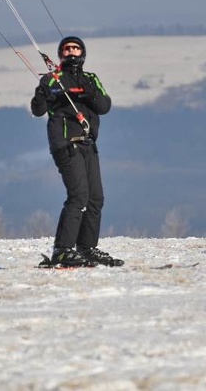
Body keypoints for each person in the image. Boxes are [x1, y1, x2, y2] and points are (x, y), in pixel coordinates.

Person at [30, 36, 124, 267]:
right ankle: (62, 250)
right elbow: (37, 110)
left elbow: (104, 106)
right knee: (78, 196)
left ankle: (87, 247)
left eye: (75, 48)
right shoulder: (52, 80)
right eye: (67, 49)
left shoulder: (91, 78)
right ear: (61, 54)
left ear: (82, 53)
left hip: (88, 144)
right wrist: (43, 96)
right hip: (65, 142)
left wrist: (87, 92)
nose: (71, 52)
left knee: (95, 198)